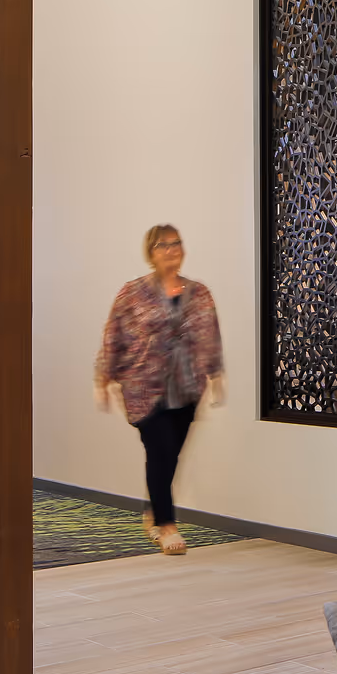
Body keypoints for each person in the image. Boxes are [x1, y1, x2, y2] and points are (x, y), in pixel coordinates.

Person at [95, 225, 225, 555]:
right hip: (144, 386)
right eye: (162, 245)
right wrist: (103, 377)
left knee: (169, 456)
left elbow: (210, 335)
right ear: (150, 252)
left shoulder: (199, 292)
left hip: (186, 387)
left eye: (176, 243)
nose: (171, 249)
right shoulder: (132, 292)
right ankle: (167, 526)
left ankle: (153, 509)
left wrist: (216, 373)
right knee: (159, 450)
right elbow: (114, 335)